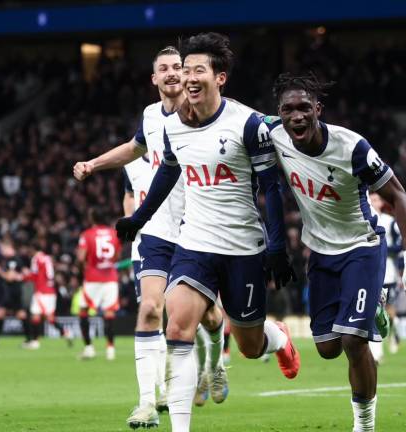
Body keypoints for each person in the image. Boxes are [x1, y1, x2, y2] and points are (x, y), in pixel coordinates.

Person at [115, 33, 298, 432]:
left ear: (220, 78)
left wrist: (278, 248)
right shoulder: (174, 125)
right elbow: (167, 172)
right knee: (177, 326)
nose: (189, 77)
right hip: (195, 243)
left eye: (199, 70)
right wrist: (139, 218)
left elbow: (271, 188)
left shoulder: (247, 125)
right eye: (187, 69)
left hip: (242, 247)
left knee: (249, 346)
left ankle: (278, 338)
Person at [265, 72, 406, 432]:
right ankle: (373, 311)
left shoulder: (352, 147)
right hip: (320, 253)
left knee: (354, 341)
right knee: (327, 348)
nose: (296, 116)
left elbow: (399, 195)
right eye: (287, 109)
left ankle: (364, 425)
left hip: (361, 246)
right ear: (279, 113)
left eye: (304, 107)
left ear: (318, 109)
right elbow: (232, 114)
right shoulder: (272, 134)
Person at [74, 46, 228, 428]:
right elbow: (132, 149)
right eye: (165, 69)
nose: (174, 73)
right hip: (158, 231)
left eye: (179, 67)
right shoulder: (149, 116)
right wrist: (94, 163)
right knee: (149, 310)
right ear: (155, 79)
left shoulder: (204, 112)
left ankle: (215, 363)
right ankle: (146, 404)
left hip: (198, 228)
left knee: (209, 316)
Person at [76, 207, 121, 361]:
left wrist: (82, 269)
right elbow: (116, 256)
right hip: (110, 278)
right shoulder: (114, 233)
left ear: (92, 218)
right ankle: (110, 349)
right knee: (109, 314)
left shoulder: (87, 234)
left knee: (83, 311)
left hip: (92, 278)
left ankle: (89, 348)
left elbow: (81, 258)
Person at [368, 192, 402, 362]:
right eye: (371, 199)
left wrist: (384, 248)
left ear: (381, 203)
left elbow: (400, 245)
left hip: (388, 273)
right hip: (371, 273)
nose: (373, 202)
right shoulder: (363, 220)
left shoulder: (389, 222)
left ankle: (394, 333)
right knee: (374, 311)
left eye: (376, 199)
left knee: (389, 312)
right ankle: (377, 352)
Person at [22, 238, 73, 349]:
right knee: (50, 318)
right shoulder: (47, 258)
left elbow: (34, 275)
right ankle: (65, 333)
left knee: (35, 316)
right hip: (51, 291)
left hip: (41, 291)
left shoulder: (36, 259)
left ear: (32, 249)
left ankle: (35, 342)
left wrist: (23, 277)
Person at [0, 238, 31, 348]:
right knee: (1, 313)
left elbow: (10, 277)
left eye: (3, 249)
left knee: (20, 315)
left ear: (9, 248)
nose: (1, 251)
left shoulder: (14, 260)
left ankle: (30, 339)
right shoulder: (9, 260)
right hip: (10, 292)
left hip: (14, 292)